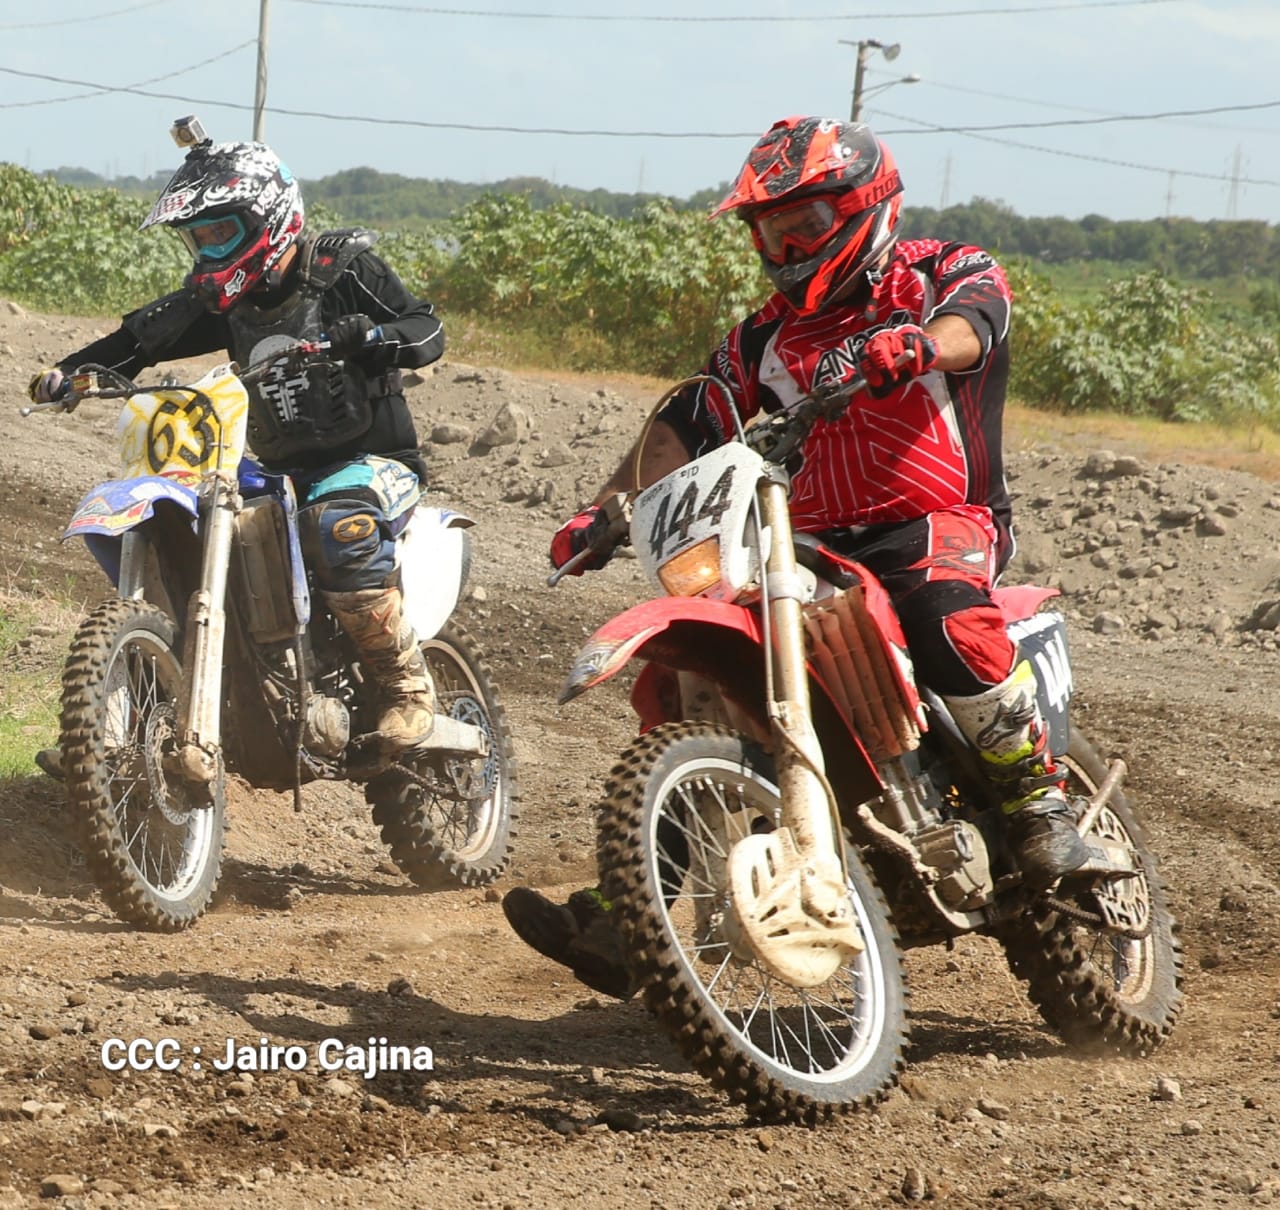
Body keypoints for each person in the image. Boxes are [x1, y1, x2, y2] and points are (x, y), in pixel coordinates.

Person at [502, 114, 1090, 1000]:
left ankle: (1035, 802)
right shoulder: (759, 339)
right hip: (802, 539)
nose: (785, 250)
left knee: (939, 612)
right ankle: (637, 907)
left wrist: (920, 342)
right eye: (770, 233)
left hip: (937, 518)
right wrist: (605, 509)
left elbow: (978, 322)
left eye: (804, 227)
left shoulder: (939, 272)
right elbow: (685, 420)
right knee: (689, 676)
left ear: (863, 208)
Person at [29, 118, 445, 774]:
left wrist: (373, 337)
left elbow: (426, 328)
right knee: (187, 526)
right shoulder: (223, 301)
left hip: (373, 464)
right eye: (198, 237)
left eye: (220, 231)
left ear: (268, 216)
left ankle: (405, 687)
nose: (208, 250)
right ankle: (120, 727)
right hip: (277, 473)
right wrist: (71, 372)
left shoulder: (341, 268)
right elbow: (138, 342)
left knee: (335, 527)